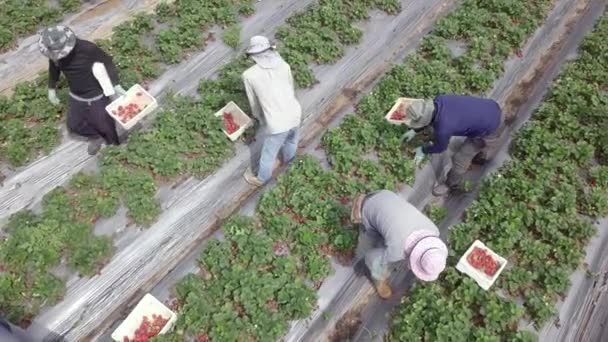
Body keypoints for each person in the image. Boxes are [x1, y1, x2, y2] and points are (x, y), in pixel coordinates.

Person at [38, 25, 128, 155]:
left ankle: (115, 146)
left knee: (105, 125)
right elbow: (54, 69)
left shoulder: (88, 49)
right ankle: (96, 136)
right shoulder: (55, 55)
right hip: (76, 94)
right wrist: (51, 88)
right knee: (75, 125)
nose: (59, 56)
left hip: (95, 94)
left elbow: (107, 62)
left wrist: (115, 84)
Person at [351, 190, 448, 299]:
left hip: (387, 195)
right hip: (367, 207)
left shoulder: (433, 230)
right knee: (369, 251)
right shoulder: (397, 251)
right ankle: (359, 211)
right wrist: (380, 273)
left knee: (390, 231)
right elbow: (371, 258)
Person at [401, 95, 505, 196]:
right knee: (476, 138)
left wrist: (423, 150)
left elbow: (440, 147)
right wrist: (415, 130)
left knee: (460, 158)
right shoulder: (440, 99)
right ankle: (483, 153)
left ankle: (450, 184)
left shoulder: (443, 128)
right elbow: (432, 119)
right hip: (491, 107)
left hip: (492, 126)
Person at [242, 35, 302, 186]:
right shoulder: (284, 65)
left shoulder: (249, 75)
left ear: (254, 55)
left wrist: (258, 117)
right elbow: (291, 87)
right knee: (291, 140)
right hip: (295, 112)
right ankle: (289, 163)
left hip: (277, 122)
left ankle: (262, 179)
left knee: (268, 153)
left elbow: (254, 102)